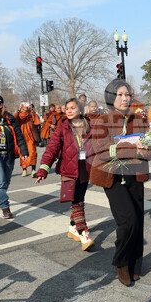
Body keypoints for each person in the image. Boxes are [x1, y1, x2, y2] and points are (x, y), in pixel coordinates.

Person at [87, 79, 151, 285]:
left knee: (138, 222)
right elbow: (102, 150)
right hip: (113, 178)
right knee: (128, 221)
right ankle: (121, 263)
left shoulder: (139, 120)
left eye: (127, 95)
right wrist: (132, 149)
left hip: (136, 175)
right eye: (120, 95)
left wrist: (147, 150)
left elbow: (150, 152)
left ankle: (135, 264)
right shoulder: (102, 121)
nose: (125, 98)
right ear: (111, 97)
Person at [35, 98, 95, 251]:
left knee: (79, 199)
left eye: (72, 108)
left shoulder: (91, 126)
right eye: (67, 108)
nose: (68, 111)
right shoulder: (62, 128)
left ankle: (72, 228)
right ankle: (84, 235)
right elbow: (51, 150)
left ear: (80, 110)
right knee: (77, 201)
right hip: (69, 171)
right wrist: (43, 169)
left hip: (85, 170)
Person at [0, 94, 28, 220]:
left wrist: (24, 152)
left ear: (1, 105)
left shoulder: (10, 118)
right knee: (1, 181)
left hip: (9, 155)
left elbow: (19, 135)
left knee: (6, 182)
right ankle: (5, 207)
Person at [15, 102, 41, 176]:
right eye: (24, 106)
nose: (25, 107)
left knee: (32, 152)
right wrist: (19, 109)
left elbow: (37, 121)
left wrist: (31, 110)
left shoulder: (31, 113)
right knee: (22, 153)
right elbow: (14, 119)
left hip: (30, 135)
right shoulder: (19, 114)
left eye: (26, 105)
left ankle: (33, 170)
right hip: (21, 135)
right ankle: (24, 169)